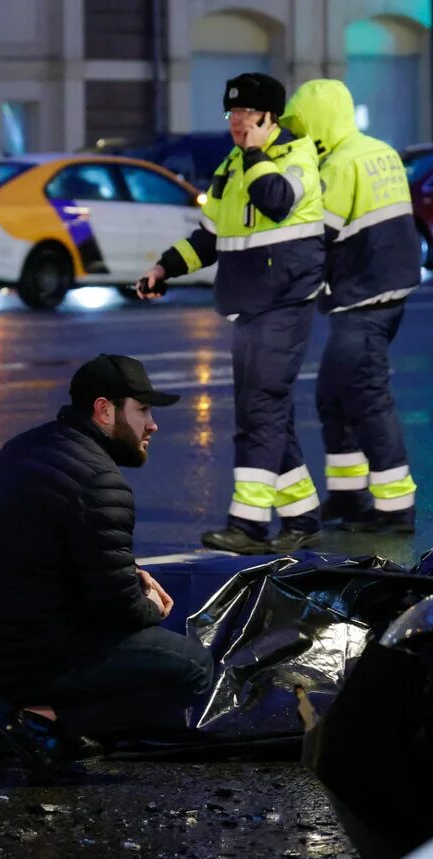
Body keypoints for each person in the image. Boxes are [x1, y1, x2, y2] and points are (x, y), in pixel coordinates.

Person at [0, 354, 214, 772]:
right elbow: (117, 608)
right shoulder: (98, 480)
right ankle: (47, 723)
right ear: (104, 410)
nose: (153, 425)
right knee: (192, 668)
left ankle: (47, 714)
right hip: (21, 657)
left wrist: (126, 576)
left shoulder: (23, 448)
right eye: (142, 410)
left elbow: (52, 557)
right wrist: (151, 604)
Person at [137, 73, 326, 556]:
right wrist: (164, 268)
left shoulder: (295, 155)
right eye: (231, 114)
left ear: (269, 117)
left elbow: (277, 203)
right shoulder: (233, 164)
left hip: (285, 302)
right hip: (248, 305)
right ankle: (302, 518)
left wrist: (259, 153)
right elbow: (209, 237)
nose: (236, 122)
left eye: (244, 114)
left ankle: (249, 526)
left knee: (260, 412)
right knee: (270, 414)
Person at [280, 79, 420, 533]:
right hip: (387, 292)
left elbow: (316, 236)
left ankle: (395, 506)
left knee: (366, 399)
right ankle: (347, 496)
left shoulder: (338, 165)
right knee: (335, 396)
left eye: (299, 126)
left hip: (361, 298)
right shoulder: (380, 151)